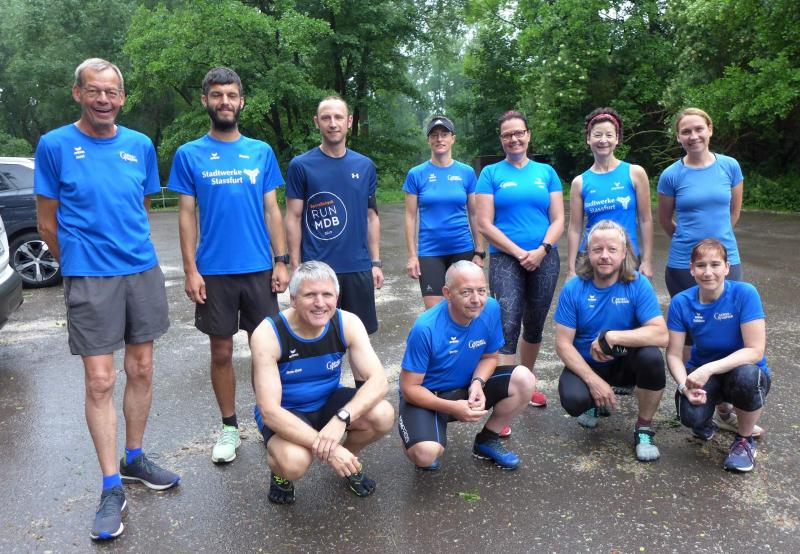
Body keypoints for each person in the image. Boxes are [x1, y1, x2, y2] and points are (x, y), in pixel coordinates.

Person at [34, 58, 179, 541]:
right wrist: (78, 263)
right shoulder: (54, 145)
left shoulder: (140, 145)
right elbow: (46, 223)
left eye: (112, 92)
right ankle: (110, 485)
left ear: (122, 97)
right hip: (90, 278)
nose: (103, 100)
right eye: (94, 90)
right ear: (77, 93)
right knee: (100, 381)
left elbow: (140, 206)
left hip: (141, 270)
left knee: (142, 369)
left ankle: (134, 458)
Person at [167, 67, 289, 464]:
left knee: (265, 351)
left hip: (259, 269)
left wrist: (281, 261)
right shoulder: (189, 154)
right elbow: (186, 214)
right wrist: (190, 270)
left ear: (242, 101)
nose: (225, 102)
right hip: (214, 271)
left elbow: (272, 209)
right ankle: (229, 427)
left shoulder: (261, 151)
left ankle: (270, 419)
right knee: (220, 352)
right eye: (217, 95)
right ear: (205, 100)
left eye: (231, 95)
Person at [251, 261, 395, 504]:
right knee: (293, 462)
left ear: (336, 297)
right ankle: (280, 475)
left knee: (383, 414)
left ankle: (348, 461)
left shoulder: (347, 322)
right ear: (293, 299)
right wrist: (332, 450)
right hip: (288, 410)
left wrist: (342, 419)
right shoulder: (268, 333)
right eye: (310, 295)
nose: (320, 303)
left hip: (328, 401)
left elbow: (379, 382)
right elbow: (270, 412)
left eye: (327, 294)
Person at [657, 107, 749, 429]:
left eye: (699, 129)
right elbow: (665, 220)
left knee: (729, 332)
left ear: (710, 129)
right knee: (688, 336)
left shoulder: (730, 166)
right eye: (686, 131)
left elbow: (733, 213)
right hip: (683, 266)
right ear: (678, 137)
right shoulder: (671, 175)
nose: (693, 136)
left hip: (727, 261)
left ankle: (725, 405)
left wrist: (714, 251)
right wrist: (692, 247)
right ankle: (691, 395)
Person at [398, 261, 535, 471]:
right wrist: (452, 407)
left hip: (466, 387)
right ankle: (420, 436)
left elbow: (490, 357)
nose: (476, 300)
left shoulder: (490, 308)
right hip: (428, 396)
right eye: (466, 292)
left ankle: (487, 440)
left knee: (524, 379)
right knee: (425, 455)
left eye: (481, 290)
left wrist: (478, 383)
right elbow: (409, 389)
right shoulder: (425, 327)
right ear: (447, 293)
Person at [475, 110, 563, 428]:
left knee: (535, 324)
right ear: (501, 140)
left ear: (528, 135)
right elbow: (484, 223)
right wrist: (518, 252)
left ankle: (527, 381)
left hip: (544, 256)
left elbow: (558, 219)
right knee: (508, 325)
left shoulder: (546, 172)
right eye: (507, 135)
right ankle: (505, 396)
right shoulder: (490, 174)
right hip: (505, 258)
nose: (514, 139)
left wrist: (542, 250)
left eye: (518, 133)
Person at [553, 220, 668, 462]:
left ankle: (644, 428)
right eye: (597, 249)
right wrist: (593, 381)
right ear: (588, 252)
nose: (605, 256)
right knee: (574, 401)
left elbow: (661, 334)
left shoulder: (638, 284)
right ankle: (595, 403)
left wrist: (613, 336)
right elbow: (563, 345)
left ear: (624, 252)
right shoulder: (574, 288)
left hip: (625, 363)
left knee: (652, 358)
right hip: (589, 364)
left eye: (612, 249)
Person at [666, 239, 770, 472]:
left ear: (727, 267)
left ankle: (744, 440)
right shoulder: (681, 302)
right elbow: (673, 354)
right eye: (701, 265)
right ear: (691, 269)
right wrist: (684, 387)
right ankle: (719, 414)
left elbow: (755, 351)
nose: (708, 272)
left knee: (746, 377)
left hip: (743, 371)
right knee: (691, 417)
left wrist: (709, 368)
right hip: (705, 375)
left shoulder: (745, 293)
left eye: (715, 264)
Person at [285, 96, 382, 341]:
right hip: (318, 272)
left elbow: (371, 216)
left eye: (338, 117)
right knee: (319, 341)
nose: (332, 123)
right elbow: (293, 217)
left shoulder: (365, 166)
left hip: (358, 268)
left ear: (349, 121)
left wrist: (375, 263)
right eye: (326, 118)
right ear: (316, 122)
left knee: (359, 340)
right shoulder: (301, 166)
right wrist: (295, 266)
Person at [403, 116, 485, 308]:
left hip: (462, 248)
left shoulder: (466, 172)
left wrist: (479, 251)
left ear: (453, 138)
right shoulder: (416, 174)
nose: (439, 139)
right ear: (428, 140)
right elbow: (410, 217)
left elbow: (475, 214)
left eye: (444, 134)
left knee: (466, 307)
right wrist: (412, 256)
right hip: (430, 251)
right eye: (434, 135)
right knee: (434, 311)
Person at [567, 107, 653, 280]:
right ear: (588, 139)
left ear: (617, 139)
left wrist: (647, 261)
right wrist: (570, 269)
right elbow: (575, 228)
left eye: (609, 135)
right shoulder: (579, 182)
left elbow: (646, 220)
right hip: (591, 260)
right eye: (597, 135)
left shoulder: (635, 173)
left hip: (627, 257)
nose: (603, 140)